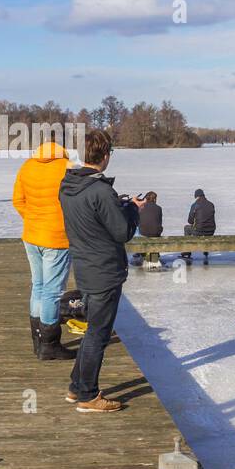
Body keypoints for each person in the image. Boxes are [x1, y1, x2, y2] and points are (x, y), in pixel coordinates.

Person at [58, 129, 138, 413]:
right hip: (104, 270)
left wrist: (120, 206)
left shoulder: (68, 185)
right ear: (105, 156)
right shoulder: (101, 190)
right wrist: (132, 211)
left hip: (85, 266)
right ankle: (88, 395)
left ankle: (76, 387)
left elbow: (94, 220)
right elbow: (122, 232)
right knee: (98, 334)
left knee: (94, 330)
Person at [12, 141, 74, 361]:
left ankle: (37, 341)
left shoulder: (27, 166)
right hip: (56, 238)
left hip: (31, 235)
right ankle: (49, 345)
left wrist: (32, 219)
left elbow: (17, 200)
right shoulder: (67, 167)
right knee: (53, 291)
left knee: (38, 285)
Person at [181, 188, 216, 262]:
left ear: (196, 196)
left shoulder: (195, 205)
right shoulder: (211, 204)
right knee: (203, 227)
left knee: (187, 228)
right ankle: (205, 250)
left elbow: (190, 221)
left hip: (199, 231)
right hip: (211, 231)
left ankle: (187, 252)